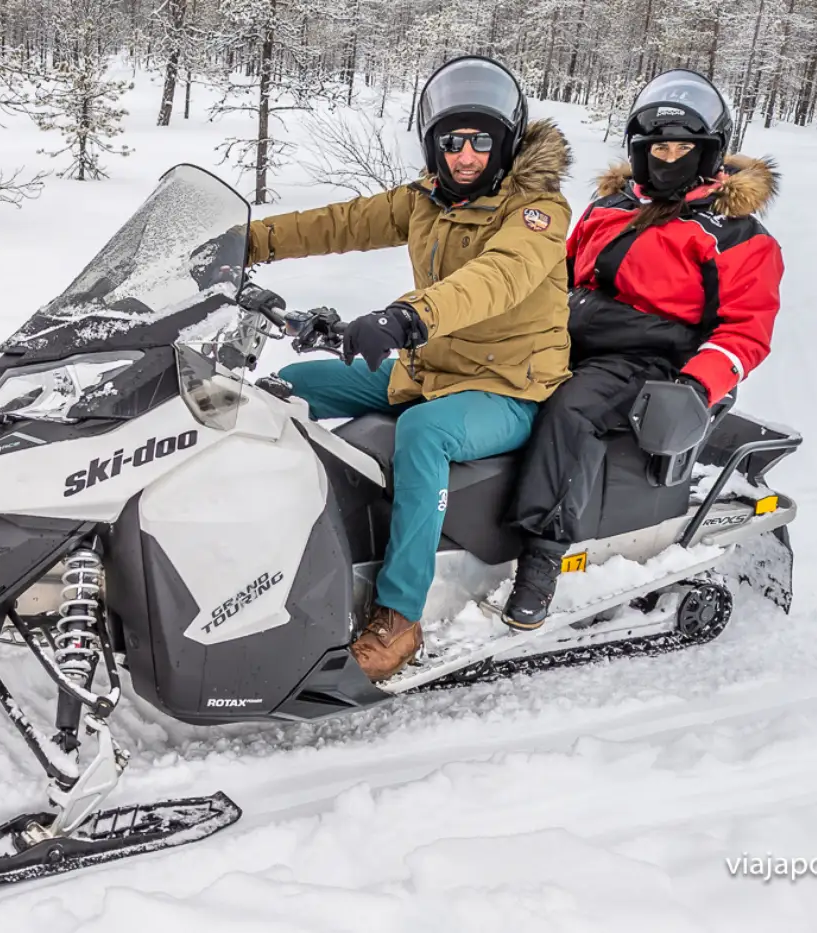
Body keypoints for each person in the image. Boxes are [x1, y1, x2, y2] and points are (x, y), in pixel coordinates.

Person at [244, 55, 574, 682]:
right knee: (290, 388)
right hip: (433, 368)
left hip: (508, 386)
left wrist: (405, 318)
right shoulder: (427, 198)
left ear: (504, 144)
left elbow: (495, 278)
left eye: (482, 142)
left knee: (424, 434)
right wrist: (246, 241)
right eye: (453, 142)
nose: (467, 157)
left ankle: (399, 614)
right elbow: (340, 222)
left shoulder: (536, 212)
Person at [503, 69, 784, 629]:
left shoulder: (735, 235)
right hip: (566, 334)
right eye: (659, 146)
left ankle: (541, 554)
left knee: (571, 407)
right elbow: (559, 274)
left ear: (708, 154)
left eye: (683, 147)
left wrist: (696, 384)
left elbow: (746, 332)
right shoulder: (610, 205)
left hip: (647, 362)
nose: (669, 157)